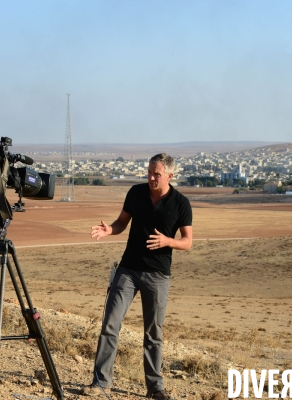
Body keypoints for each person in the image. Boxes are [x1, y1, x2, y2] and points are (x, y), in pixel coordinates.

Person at [85, 153, 192, 400]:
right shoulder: (136, 193)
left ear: (169, 176)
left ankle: (155, 388)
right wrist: (109, 230)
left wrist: (168, 241)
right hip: (128, 270)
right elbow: (122, 222)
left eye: (157, 174)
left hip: (158, 276)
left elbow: (187, 242)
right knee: (110, 324)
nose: (152, 177)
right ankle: (101, 383)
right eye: (149, 172)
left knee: (153, 333)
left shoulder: (180, 203)